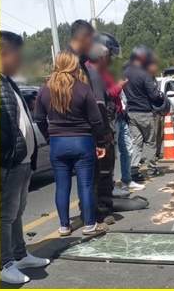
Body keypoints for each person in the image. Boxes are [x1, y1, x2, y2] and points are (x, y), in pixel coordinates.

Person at [34, 50, 108, 237]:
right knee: (85, 184)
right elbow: (96, 120)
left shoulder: (45, 89)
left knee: (62, 186)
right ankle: (90, 224)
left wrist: (50, 138)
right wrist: (100, 142)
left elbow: (39, 119)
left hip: (58, 144)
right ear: (73, 66)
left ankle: (64, 226)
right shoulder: (83, 89)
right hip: (82, 142)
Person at [0, 31, 49, 284]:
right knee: (6, 216)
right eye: (18, 57)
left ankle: (19, 254)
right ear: (3, 53)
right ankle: (3, 263)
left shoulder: (8, 82)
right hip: (10, 164)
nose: (20, 62)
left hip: (23, 162)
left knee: (17, 213)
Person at [88, 36, 144, 196]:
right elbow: (105, 96)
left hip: (119, 114)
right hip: (109, 118)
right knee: (110, 156)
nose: (110, 59)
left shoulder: (104, 72)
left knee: (128, 149)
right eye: (109, 55)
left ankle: (127, 179)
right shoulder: (93, 73)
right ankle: (110, 186)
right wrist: (119, 86)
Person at [122, 45, 166, 181]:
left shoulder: (125, 74)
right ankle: (152, 169)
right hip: (145, 112)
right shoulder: (144, 74)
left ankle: (134, 170)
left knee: (137, 143)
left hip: (131, 113)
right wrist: (161, 97)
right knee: (151, 143)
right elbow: (154, 95)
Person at [147, 60, 165, 158]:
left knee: (160, 132)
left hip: (159, 109)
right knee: (153, 133)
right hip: (152, 110)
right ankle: (153, 154)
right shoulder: (146, 79)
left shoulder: (154, 79)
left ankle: (158, 151)